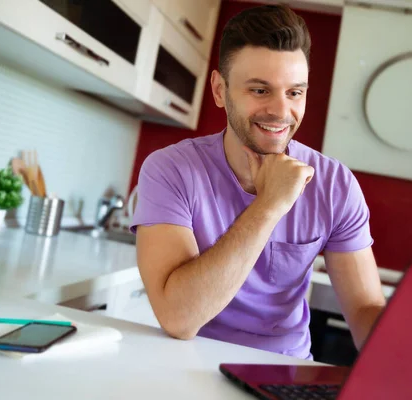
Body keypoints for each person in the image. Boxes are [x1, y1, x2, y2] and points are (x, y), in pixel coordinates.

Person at [131, 4, 386, 360]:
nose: (281, 112)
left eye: (295, 92)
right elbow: (178, 318)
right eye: (260, 90)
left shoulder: (335, 184)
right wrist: (269, 205)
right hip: (186, 362)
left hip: (285, 368)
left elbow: (364, 313)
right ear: (220, 90)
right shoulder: (170, 169)